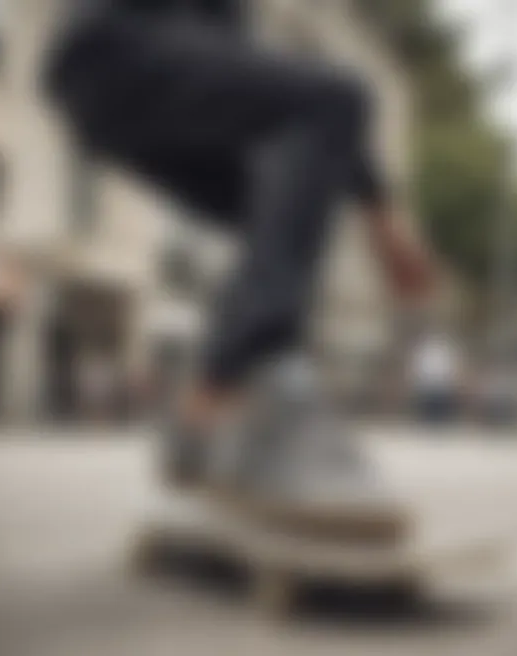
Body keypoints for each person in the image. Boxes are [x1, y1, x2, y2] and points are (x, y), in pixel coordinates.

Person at [43, 0, 438, 515]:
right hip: (115, 49)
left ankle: (202, 422)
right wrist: (383, 213)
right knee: (337, 98)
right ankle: (241, 384)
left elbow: (249, 69)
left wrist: (376, 208)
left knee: (289, 181)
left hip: (108, 79)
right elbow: (320, 99)